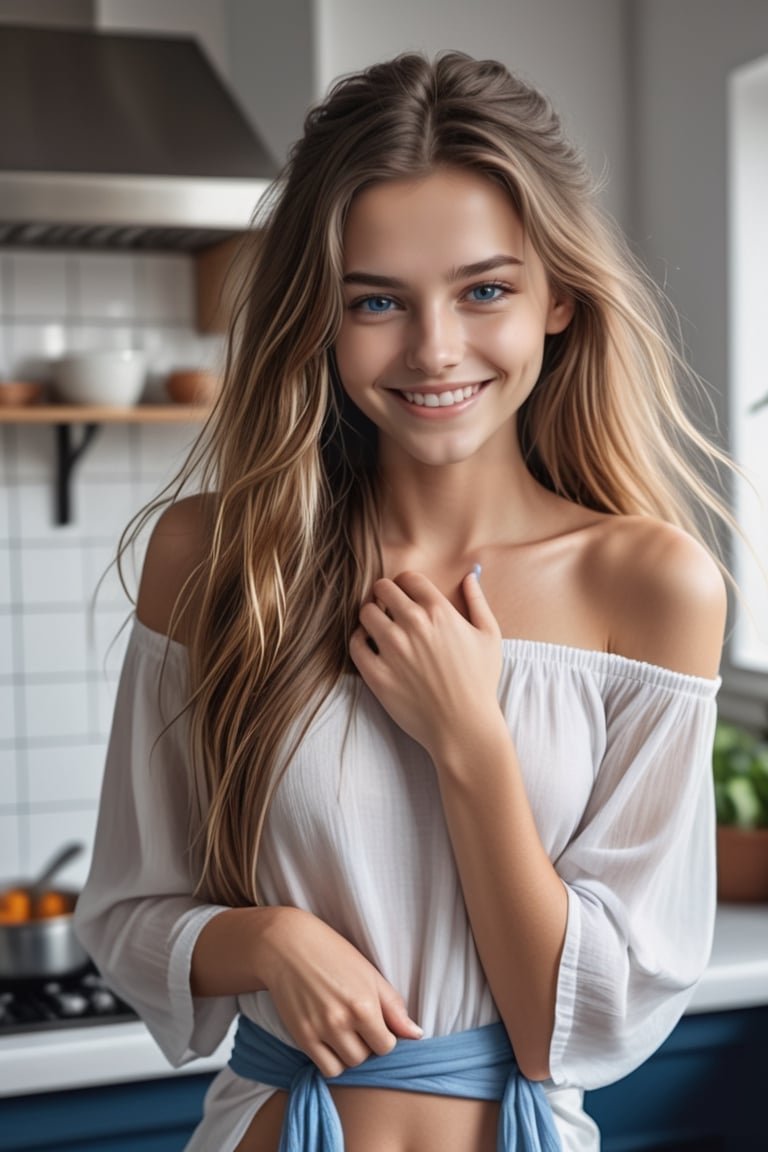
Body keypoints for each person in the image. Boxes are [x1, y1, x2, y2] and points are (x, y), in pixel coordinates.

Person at [75, 50, 731, 1152]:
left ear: (559, 297)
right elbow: (130, 919)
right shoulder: (218, 559)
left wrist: (470, 739)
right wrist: (268, 940)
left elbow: (578, 1028)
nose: (435, 350)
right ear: (318, 320)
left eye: (486, 289)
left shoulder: (650, 586)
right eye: (377, 300)